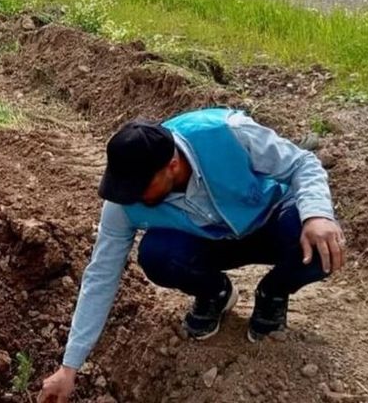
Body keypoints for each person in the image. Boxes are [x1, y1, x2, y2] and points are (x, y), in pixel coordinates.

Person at [39, 107, 345, 402]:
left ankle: (274, 292)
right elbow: (101, 275)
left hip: (270, 220)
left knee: (321, 246)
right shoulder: (124, 201)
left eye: (141, 187)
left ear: (172, 165)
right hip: (209, 243)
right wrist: (70, 366)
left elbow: (302, 163)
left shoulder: (227, 133)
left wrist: (317, 214)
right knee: (158, 255)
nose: (133, 198)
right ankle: (216, 293)